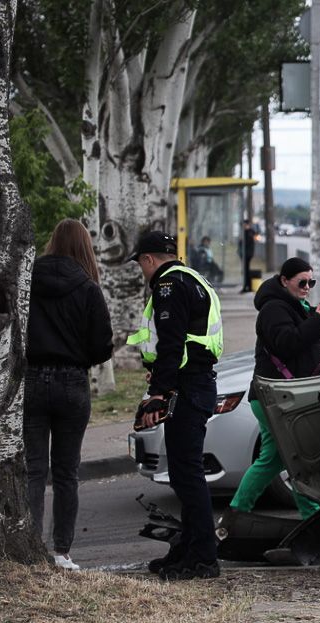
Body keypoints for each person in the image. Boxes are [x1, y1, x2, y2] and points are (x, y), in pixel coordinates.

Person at [127, 230, 224, 580]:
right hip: (196, 384)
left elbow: (172, 342)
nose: (142, 270)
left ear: (150, 259)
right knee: (185, 475)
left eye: (140, 263)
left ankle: (203, 558)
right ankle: (189, 548)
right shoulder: (196, 279)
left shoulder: (168, 285)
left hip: (186, 386)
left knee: (187, 476)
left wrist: (159, 392)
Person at [24, 219, 114, 571]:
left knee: (33, 470)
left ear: (52, 242)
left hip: (32, 378)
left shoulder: (27, 280)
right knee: (66, 473)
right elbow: (102, 346)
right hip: (73, 382)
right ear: (85, 247)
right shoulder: (88, 288)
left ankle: (31, 548)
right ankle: (62, 552)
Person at [224, 257, 320, 520]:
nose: (307, 286)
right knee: (280, 456)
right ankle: (238, 512)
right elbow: (287, 343)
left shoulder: (297, 306)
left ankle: (310, 514)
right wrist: (317, 322)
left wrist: (317, 318)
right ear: (284, 280)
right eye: (301, 281)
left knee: (291, 456)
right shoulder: (273, 309)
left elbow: (304, 344)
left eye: (311, 281)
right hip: (273, 397)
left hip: (287, 396)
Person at [241, 220, 256, 293]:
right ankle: (247, 286)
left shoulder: (249, 232)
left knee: (246, 271)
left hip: (247, 254)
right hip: (246, 254)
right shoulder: (248, 232)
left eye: (244, 224)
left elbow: (246, 243)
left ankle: (247, 286)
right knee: (246, 270)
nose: (243, 226)